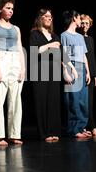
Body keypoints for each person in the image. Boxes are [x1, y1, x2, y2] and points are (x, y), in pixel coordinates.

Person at [29, 9, 77, 142]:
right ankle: (44, 133)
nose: (50, 19)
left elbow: (62, 55)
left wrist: (71, 68)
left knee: (53, 101)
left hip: (54, 71)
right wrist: (50, 45)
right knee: (42, 101)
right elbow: (34, 51)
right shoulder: (35, 34)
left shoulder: (55, 35)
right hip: (39, 70)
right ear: (40, 18)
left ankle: (53, 131)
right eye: (47, 16)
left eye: (51, 16)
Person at [0, 0, 25, 146]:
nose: (11, 11)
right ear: (0, 9)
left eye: (12, 9)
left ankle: (14, 134)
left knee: (15, 100)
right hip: (0, 58)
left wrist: (23, 68)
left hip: (15, 60)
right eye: (8, 8)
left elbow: (20, 48)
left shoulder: (16, 29)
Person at [61, 10, 92, 139]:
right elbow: (64, 55)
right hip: (72, 66)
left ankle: (82, 126)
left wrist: (88, 72)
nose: (81, 21)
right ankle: (74, 129)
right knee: (73, 100)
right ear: (74, 18)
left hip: (82, 67)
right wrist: (68, 70)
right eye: (79, 18)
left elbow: (84, 55)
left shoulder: (80, 37)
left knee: (83, 100)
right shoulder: (65, 35)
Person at [80, 14, 96, 137]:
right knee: (81, 101)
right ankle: (83, 126)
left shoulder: (90, 39)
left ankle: (91, 125)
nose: (84, 25)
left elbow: (92, 58)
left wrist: (95, 75)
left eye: (87, 23)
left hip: (91, 73)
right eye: (82, 22)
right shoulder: (77, 37)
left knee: (90, 101)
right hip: (80, 71)